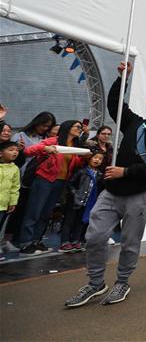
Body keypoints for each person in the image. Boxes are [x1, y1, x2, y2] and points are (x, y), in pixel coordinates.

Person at [65, 61, 146, 307]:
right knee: (95, 236)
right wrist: (122, 78)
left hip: (139, 195)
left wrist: (124, 171)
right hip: (112, 192)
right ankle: (95, 283)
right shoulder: (134, 123)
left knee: (130, 242)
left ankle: (122, 282)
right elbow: (114, 104)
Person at [19, 120, 86, 254]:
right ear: (68, 128)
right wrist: (45, 148)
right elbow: (28, 150)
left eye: (80, 128)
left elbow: (73, 163)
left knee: (46, 213)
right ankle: (25, 242)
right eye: (77, 127)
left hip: (60, 182)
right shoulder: (53, 141)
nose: (80, 130)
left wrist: (85, 158)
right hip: (44, 179)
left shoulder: (74, 145)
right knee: (34, 211)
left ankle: (36, 241)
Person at [7, 111, 55, 249]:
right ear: (37, 122)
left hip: (38, 176)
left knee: (29, 209)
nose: (45, 128)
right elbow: (13, 155)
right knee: (17, 207)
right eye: (43, 125)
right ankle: (7, 238)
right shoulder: (20, 136)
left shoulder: (46, 139)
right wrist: (21, 150)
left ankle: (18, 238)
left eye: (48, 126)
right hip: (22, 174)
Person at [59, 151, 105, 252]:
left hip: (88, 202)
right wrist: (75, 194)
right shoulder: (81, 171)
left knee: (81, 221)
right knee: (69, 221)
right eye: (95, 157)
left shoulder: (99, 175)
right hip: (75, 201)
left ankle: (76, 240)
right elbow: (70, 183)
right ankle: (64, 242)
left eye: (100, 159)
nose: (97, 160)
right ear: (90, 158)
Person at [0, 132, 21, 262]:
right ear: (1, 153)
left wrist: (13, 202)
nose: (15, 152)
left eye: (16, 150)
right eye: (11, 150)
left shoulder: (15, 169)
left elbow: (15, 187)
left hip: (4, 204)